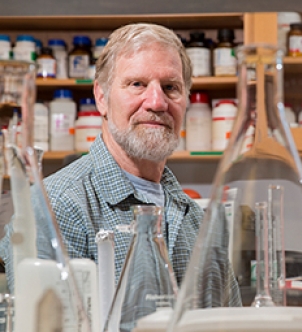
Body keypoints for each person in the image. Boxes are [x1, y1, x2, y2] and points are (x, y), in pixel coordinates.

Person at [0, 23, 241, 307]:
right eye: (137, 84)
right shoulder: (54, 208)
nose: (156, 102)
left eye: (170, 87)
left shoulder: (197, 219)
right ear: (101, 97)